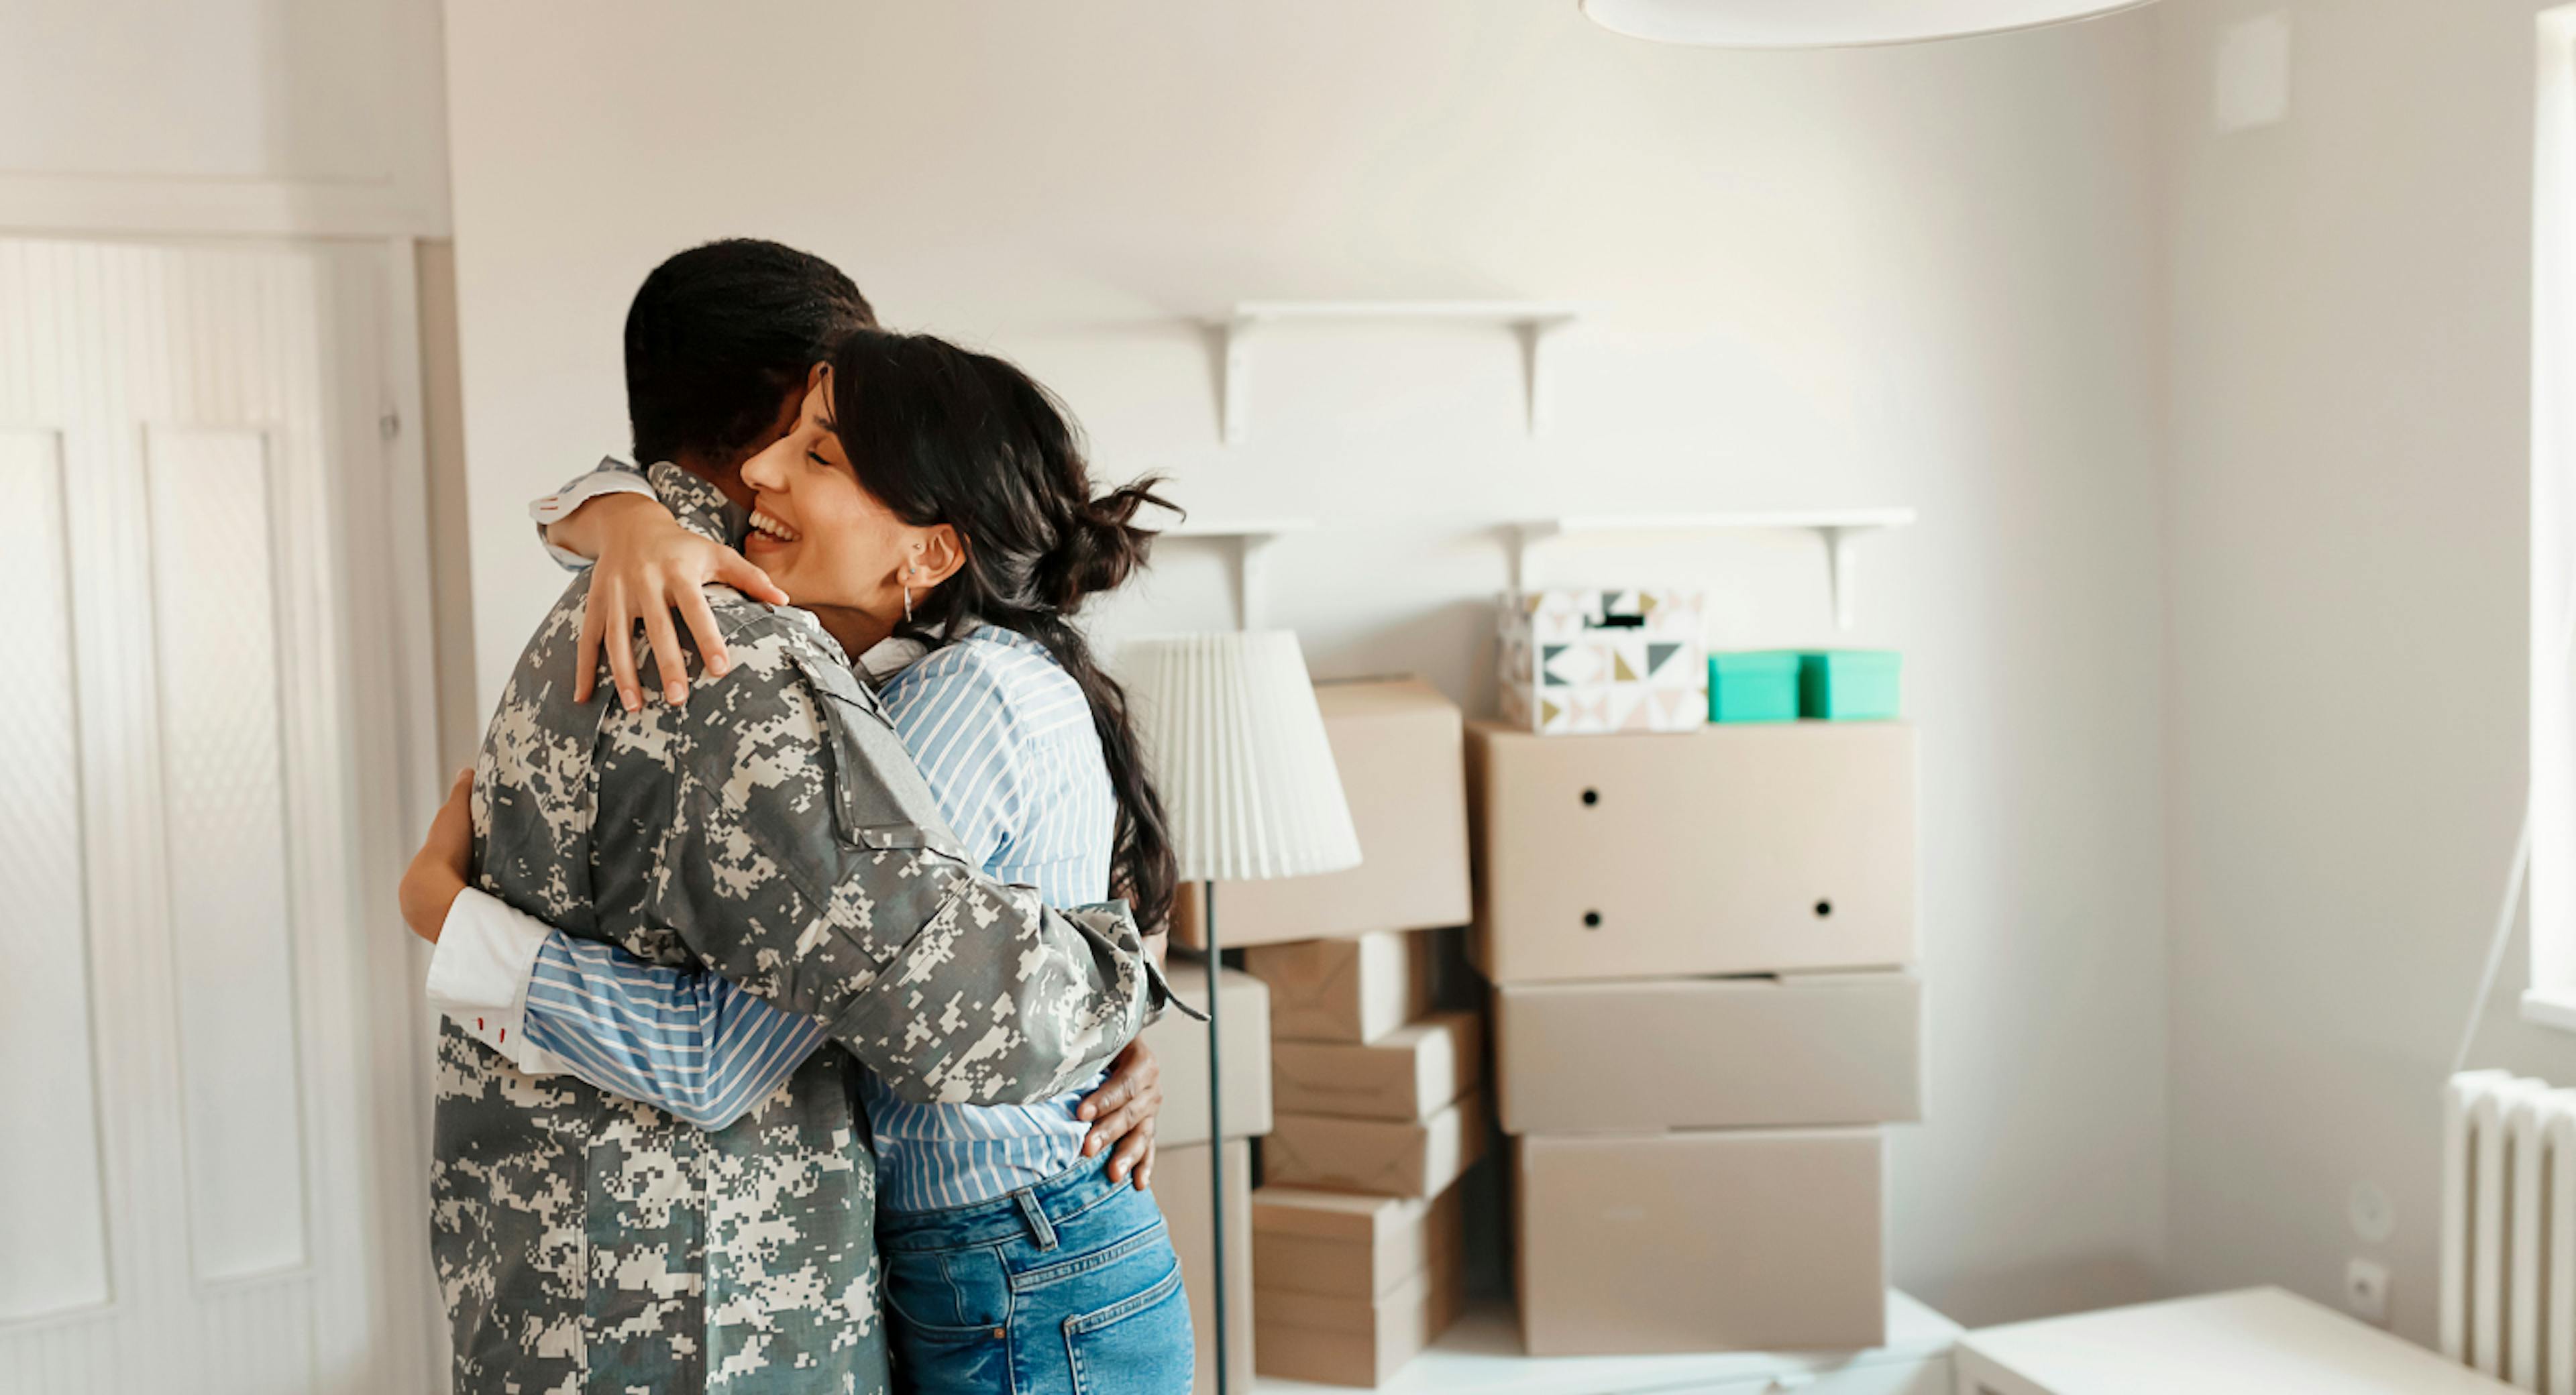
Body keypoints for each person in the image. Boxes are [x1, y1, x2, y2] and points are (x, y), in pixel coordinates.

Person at [409, 240, 1177, 1395]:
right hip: (715, 1299)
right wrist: (1116, 976)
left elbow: (918, 977)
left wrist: (450, 917)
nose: (778, 466)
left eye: (822, 447)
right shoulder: (746, 660)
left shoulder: (600, 618)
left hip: (613, 1281)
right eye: (806, 428)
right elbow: (757, 1048)